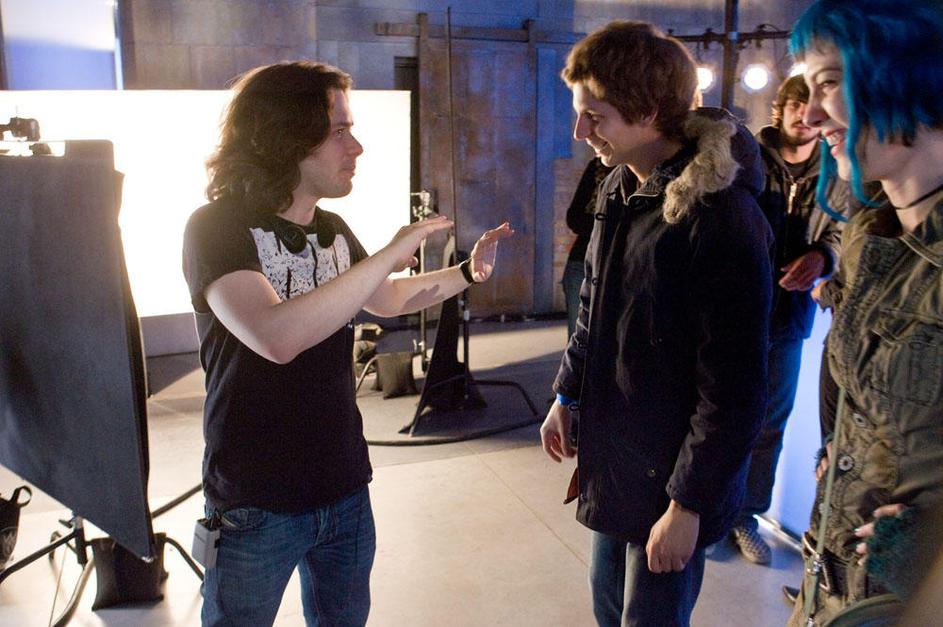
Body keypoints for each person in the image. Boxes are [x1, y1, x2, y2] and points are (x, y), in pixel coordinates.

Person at [182, 61, 512, 627]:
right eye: (339, 131)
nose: (355, 147)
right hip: (255, 500)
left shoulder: (332, 229)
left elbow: (386, 297)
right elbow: (276, 336)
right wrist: (388, 253)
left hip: (344, 487)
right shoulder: (217, 227)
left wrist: (466, 274)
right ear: (286, 135)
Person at [539, 21, 772, 626]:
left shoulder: (720, 215)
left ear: (648, 113)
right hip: (619, 458)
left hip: (673, 477)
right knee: (607, 608)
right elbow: (593, 306)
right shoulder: (620, 185)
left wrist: (688, 505)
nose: (580, 132)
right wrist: (567, 393)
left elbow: (735, 387)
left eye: (596, 117)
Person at [786, 0, 943, 624]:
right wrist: (842, 449)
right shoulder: (864, 235)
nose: (810, 114)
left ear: (909, 73)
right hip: (833, 585)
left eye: (829, 82)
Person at [730, 75, 850, 565]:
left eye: (813, 104)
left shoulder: (836, 171)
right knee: (718, 413)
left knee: (771, 424)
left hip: (789, 318)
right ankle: (705, 508)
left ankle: (746, 515)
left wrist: (823, 257)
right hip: (734, 312)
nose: (805, 115)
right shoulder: (746, 158)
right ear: (779, 109)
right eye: (796, 104)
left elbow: (843, 230)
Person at [562, 156, 612, 339]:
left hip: (617, 267)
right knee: (579, 339)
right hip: (582, 261)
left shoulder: (647, 170)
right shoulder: (598, 166)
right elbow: (574, 218)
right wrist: (607, 225)